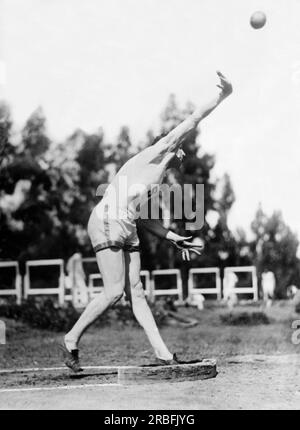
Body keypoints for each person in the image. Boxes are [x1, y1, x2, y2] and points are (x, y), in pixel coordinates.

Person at [61, 71, 233, 372]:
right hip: (107, 219)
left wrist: (171, 237)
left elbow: (144, 219)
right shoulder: (155, 154)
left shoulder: (157, 180)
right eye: (181, 147)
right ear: (171, 146)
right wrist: (222, 96)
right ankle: (71, 339)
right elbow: (193, 119)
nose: (183, 152)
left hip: (126, 225)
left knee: (136, 292)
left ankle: (164, 355)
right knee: (114, 291)